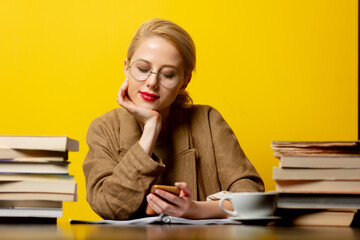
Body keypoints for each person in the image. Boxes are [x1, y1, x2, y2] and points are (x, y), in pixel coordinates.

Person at [83, 19, 264, 220]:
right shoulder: (104, 128)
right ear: (126, 68)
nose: (152, 83)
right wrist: (151, 128)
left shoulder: (208, 121)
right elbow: (109, 207)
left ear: (184, 82)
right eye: (143, 69)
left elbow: (253, 197)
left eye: (168, 74)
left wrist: (197, 209)